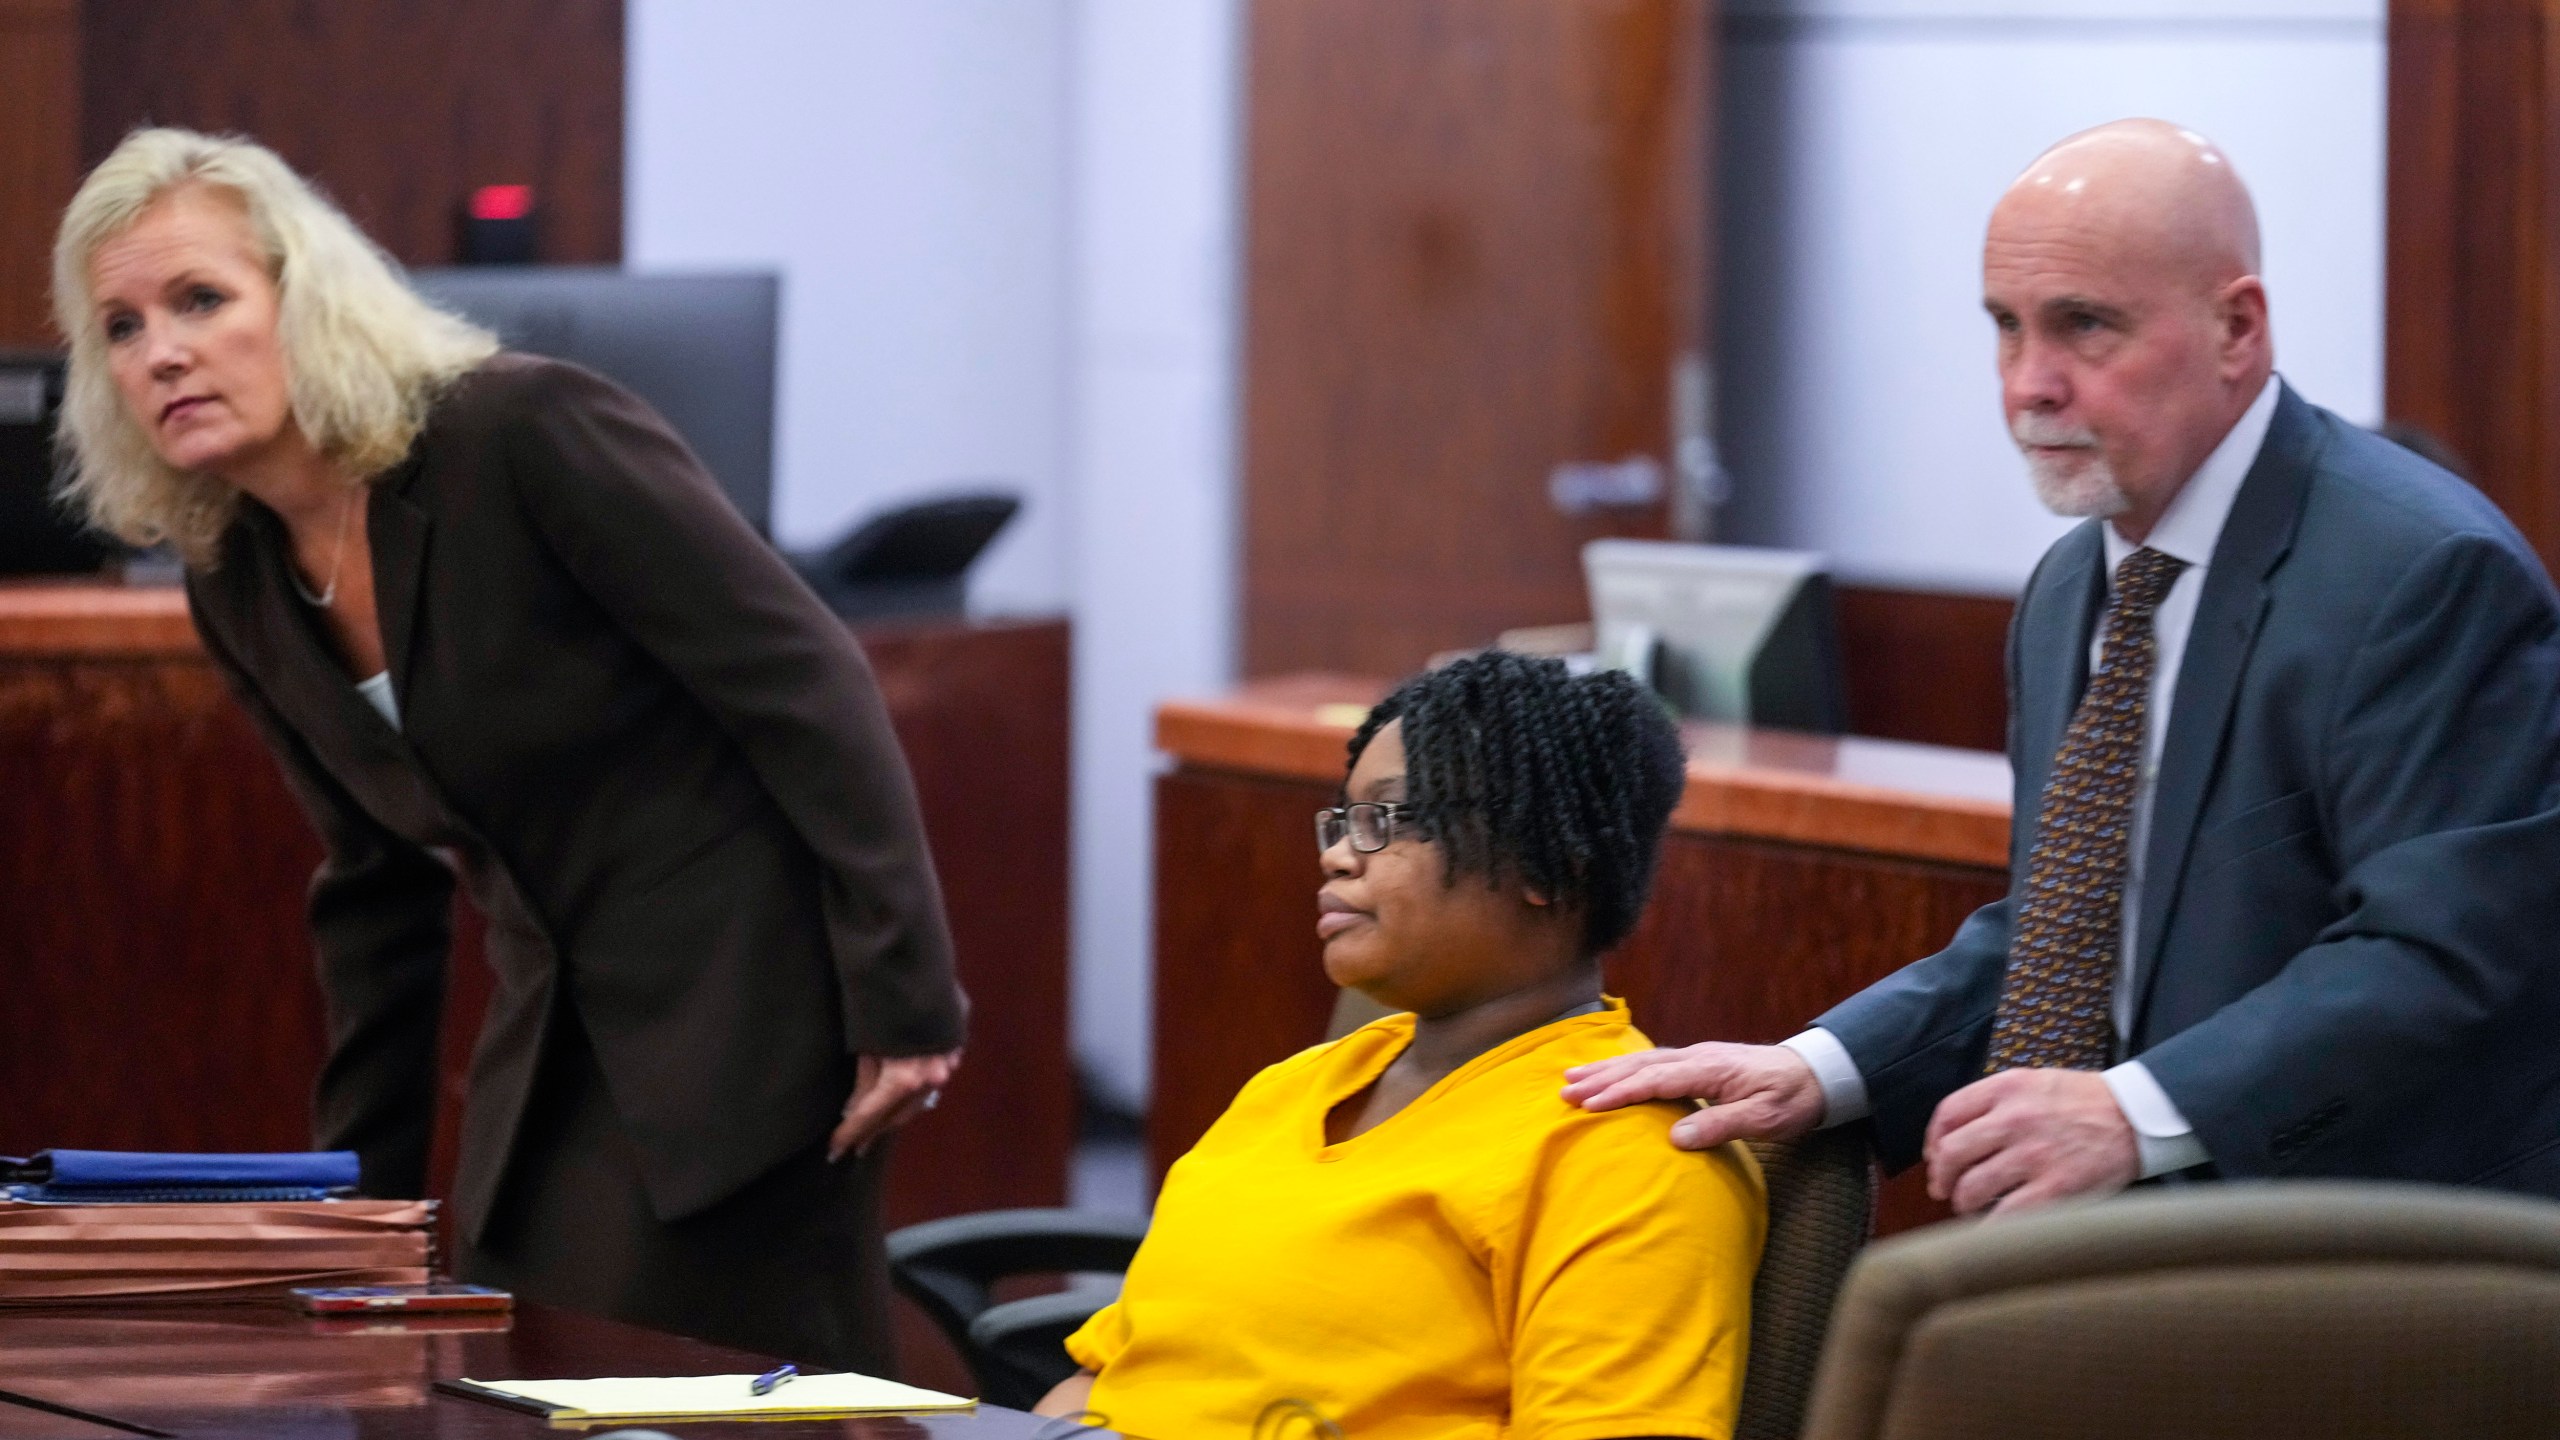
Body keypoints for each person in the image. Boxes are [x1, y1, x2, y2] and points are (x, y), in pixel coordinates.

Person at [51, 128, 967, 1369]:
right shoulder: (239, 577)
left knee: (677, 1375)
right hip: (556, 1038)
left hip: (753, 1002)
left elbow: (805, 683)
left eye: (202, 299)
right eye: (121, 326)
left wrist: (906, 996)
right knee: (499, 1354)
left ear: (306, 297)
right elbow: (375, 883)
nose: (162, 350)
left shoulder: (521, 430)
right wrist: (354, 1202)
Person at [1567, 119, 2560, 1214]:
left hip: (2369, 1253)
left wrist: (2134, 1110)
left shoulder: (2422, 572)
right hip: (2130, 1241)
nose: (2027, 386)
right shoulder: (2067, 589)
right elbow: (2070, 927)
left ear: (2236, 328)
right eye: (2005, 327)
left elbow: (2437, 954)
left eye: (2082, 327)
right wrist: (1822, 1064)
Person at [1036, 652, 1766, 1440]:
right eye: (1341, 821)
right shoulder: (1292, 1087)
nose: (1336, 855)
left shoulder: (1625, 1153)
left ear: (1550, 869)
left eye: (1383, 822)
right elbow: (1100, 1379)